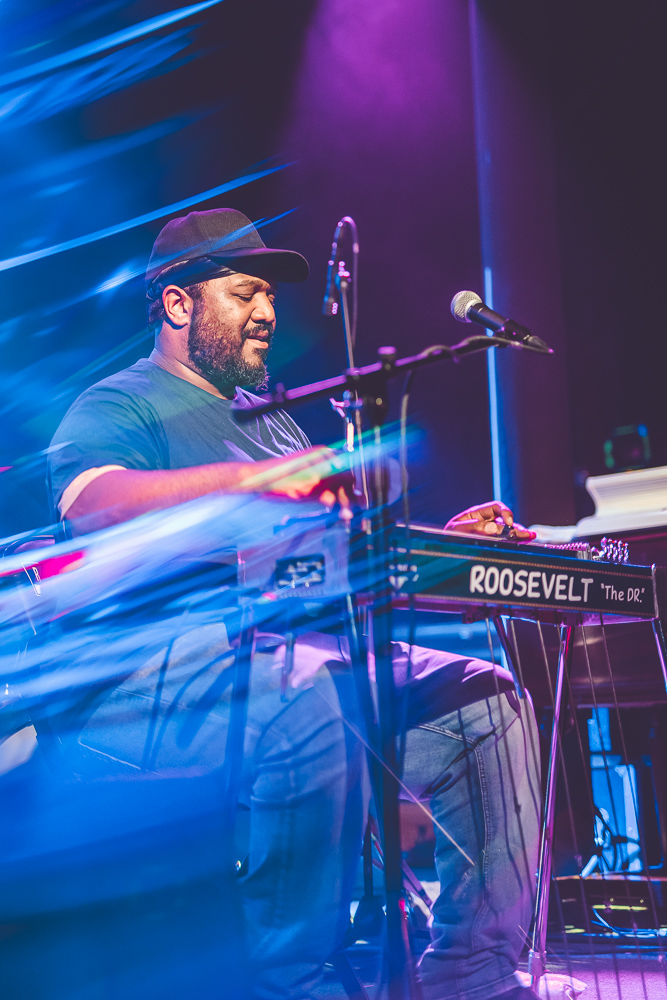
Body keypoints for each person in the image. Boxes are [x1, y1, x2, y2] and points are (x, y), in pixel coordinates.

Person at [47, 208, 542, 1000]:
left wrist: (447, 549)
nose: (269, 313)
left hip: (304, 663)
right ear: (179, 304)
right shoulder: (119, 402)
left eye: (270, 297)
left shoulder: (270, 419)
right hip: (162, 688)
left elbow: (325, 554)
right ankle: (292, 981)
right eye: (246, 292)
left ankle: (472, 977)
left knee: (488, 702)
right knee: (306, 688)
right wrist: (259, 487)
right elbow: (93, 506)